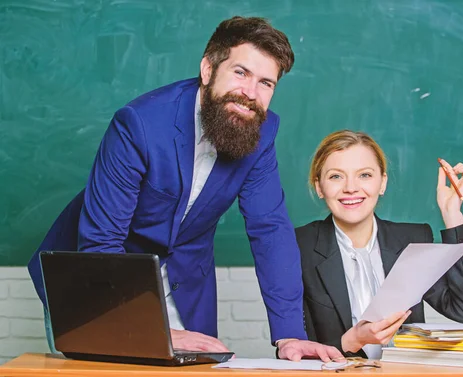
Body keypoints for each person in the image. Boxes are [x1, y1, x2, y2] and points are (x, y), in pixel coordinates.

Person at [27, 16, 342, 362]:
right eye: (240, 73)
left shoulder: (261, 131)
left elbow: (270, 230)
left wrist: (289, 335)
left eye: (266, 83)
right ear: (208, 69)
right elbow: (101, 242)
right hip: (99, 278)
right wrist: (149, 328)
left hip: (185, 280)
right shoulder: (139, 124)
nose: (250, 94)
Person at [296, 130, 463, 359]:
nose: (351, 188)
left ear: (382, 183)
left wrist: (452, 213)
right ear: (319, 186)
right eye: (336, 176)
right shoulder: (298, 246)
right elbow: (292, 352)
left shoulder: (411, 239)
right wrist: (353, 340)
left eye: (364, 175)